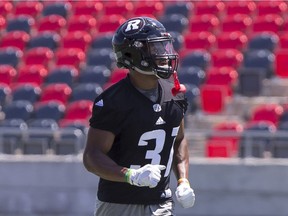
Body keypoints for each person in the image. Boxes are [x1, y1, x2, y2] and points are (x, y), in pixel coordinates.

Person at [83, 16, 195, 216]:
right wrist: (131, 175)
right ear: (133, 53)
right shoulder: (113, 101)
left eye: (164, 46)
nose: (164, 54)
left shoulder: (173, 94)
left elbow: (178, 140)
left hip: (161, 202)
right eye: (156, 48)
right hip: (118, 204)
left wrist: (183, 180)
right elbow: (92, 156)